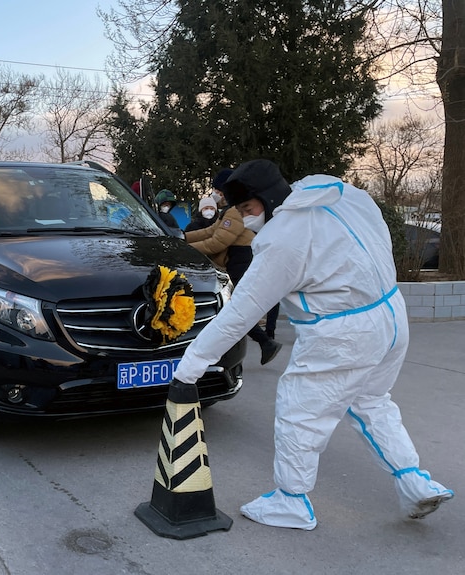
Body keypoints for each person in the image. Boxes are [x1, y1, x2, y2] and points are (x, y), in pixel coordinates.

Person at [172, 158, 453, 530]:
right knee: (372, 401)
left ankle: (291, 501)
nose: (247, 218)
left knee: (300, 412)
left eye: (248, 208)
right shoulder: (338, 196)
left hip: (342, 332)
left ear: (268, 200)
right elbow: (378, 232)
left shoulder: (285, 237)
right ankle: (414, 480)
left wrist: (191, 365)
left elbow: (240, 312)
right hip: (390, 314)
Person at [184, 176, 282, 365]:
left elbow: (217, 241)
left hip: (240, 259)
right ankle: (265, 342)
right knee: (235, 306)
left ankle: (265, 342)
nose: (215, 195)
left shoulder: (235, 212)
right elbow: (210, 231)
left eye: (217, 191)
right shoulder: (228, 211)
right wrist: (182, 236)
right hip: (236, 259)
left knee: (235, 307)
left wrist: (186, 246)